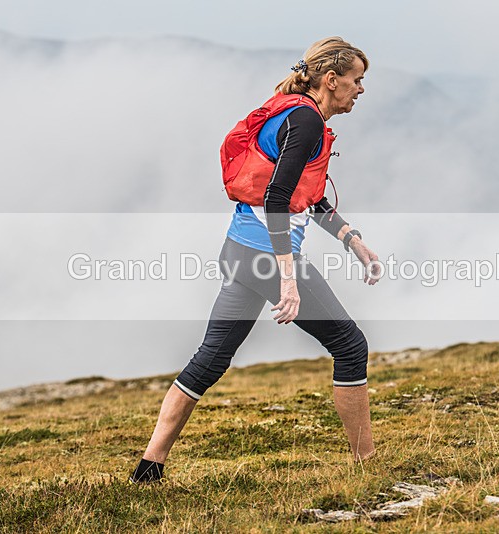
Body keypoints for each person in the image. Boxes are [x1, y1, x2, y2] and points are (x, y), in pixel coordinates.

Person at [130, 37, 382, 484]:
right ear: (331, 79)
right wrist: (288, 279)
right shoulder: (305, 121)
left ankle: (149, 467)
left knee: (210, 359)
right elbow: (278, 198)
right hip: (265, 257)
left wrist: (350, 238)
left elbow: (308, 195)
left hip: (240, 253)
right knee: (350, 347)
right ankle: (368, 468)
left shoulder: (291, 109)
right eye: (356, 80)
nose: (360, 89)